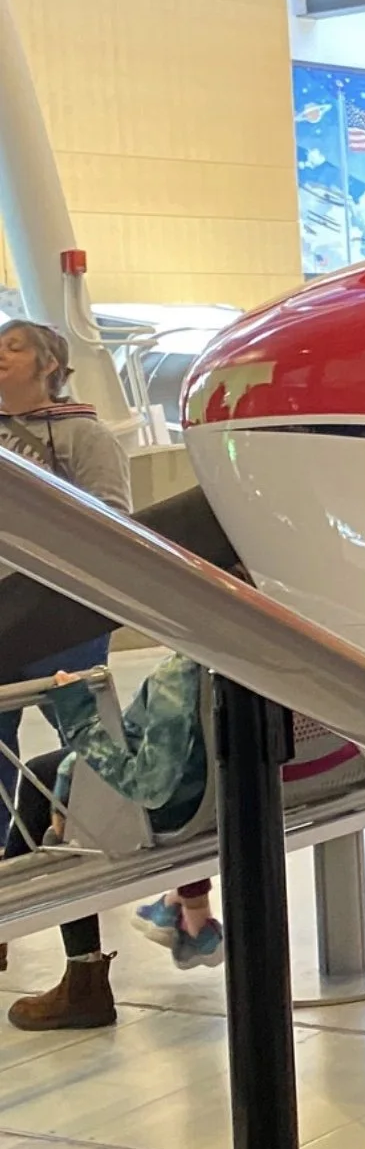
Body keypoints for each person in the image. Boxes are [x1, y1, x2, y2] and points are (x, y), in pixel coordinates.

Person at [4, 655, 221, 1028]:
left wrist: (80, 720)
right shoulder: (254, 652)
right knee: (46, 770)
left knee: (66, 804)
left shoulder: (179, 674)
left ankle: (80, 979)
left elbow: (149, 787)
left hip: (172, 811)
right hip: (227, 793)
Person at [0, 319, 129, 860]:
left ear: (49, 364)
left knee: (89, 750)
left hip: (59, 618)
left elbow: (114, 520)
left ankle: (103, 856)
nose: (0, 355)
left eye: (14, 347)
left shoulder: (84, 435)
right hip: (2, 612)